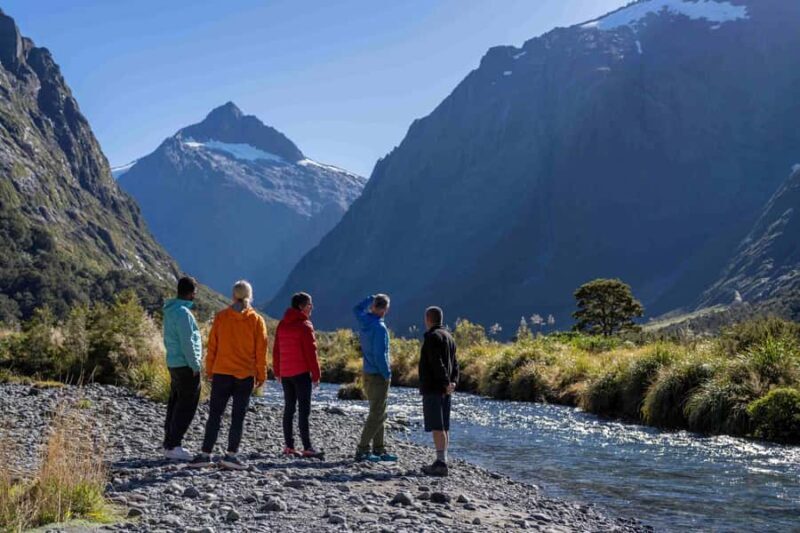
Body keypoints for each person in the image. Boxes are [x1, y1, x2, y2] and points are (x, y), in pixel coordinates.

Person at [189, 280, 268, 470]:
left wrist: (210, 370)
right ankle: (231, 456)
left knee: (215, 414)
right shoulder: (256, 320)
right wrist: (261, 375)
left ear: (233, 296)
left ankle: (205, 454)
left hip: (222, 372)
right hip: (245, 375)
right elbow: (261, 351)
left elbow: (213, 346)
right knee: (237, 417)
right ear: (250, 296)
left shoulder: (222, 317)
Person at [273, 292, 322, 458]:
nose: (312, 308)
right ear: (302, 307)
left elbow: (276, 350)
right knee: (303, 411)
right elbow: (311, 353)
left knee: (289, 408)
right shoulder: (305, 325)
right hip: (301, 374)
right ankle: (307, 447)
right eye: (309, 305)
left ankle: (289, 446)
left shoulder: (282, 324)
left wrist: (277, 371)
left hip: (286, 374)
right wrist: (316, 375)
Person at [162, 276, 203, 461]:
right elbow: (188, 342)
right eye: (195, 292)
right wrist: (195, 365)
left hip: (173, 363)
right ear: (191, 293)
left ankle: (169, 443)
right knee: (186, 406)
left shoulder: (170, 311)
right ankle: (174, 445)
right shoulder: (184, 314)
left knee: (175, 403)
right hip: (186, 365)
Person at [353, 294, 397, 462]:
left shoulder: (364, 320)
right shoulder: (380, 328)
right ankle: (363, 449)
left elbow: (356, 308)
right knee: (377, 413)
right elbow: (380, 355)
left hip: (367, 373)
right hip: (379, 375)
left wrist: (369, 298)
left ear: (373, 306)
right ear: (385, 309)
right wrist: (387, 374)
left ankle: (379, 449)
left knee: (378, 411)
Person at [418, 306, 459, 477]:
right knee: (444, 426)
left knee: (437, 426)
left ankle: (440, 463)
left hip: (435, 388)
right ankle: (443, 459)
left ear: (428, 318)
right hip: (446, 388)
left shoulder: (432, 337)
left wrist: (444, 382)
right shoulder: (449, 337)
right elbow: (455, 364)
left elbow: (436, 363)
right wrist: (453, 382)